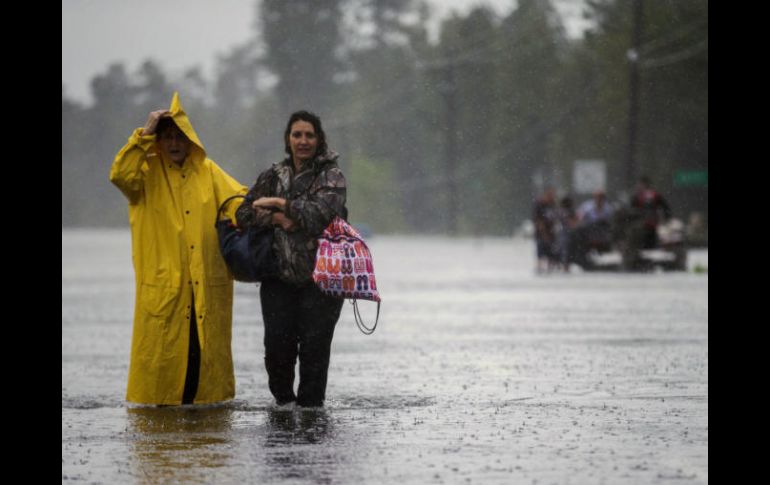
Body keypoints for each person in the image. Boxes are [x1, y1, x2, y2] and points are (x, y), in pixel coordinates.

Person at [109, 92, 246, 405]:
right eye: (167, 137)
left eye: (179, 137)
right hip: (165, 291)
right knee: (162, 377)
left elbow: (238, 201)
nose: (173, 144)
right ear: (158, 140)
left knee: (204, 379)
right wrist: (146, 130)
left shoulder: (209, 172)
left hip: (205, 290)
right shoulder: (144, 176)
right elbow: (119, 175)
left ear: (190, 140)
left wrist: (268, 211)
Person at [236, 111, 347, 409]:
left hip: (322, 281)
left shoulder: (332, 176)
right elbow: (243, 214)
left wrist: (282, 205)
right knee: (277, 350)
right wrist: (278, 218)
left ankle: (311, 416)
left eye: (309, 135)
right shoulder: (272, 175)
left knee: (314, 351)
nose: (303, 141)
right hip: (277, 278)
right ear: (288, 139)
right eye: (297, 135)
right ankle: (283, 407)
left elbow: (322, 215)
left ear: (319, 139)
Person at [631, 176, 671, 249]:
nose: (639, 186)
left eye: (640, 184)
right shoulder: (654, 194)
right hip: (651, 223)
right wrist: (667, 217)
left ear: (644, 184)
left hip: (643, 224)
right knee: (651, 242)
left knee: (644, 242)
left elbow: (632, 209)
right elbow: (665, 206)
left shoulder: (639, 196)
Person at [533, 187, 558, 273]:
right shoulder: (540, 205)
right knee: (541, 250)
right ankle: (539, 268)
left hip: (551, 232)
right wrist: (544, 234)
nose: (552, 197)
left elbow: (554, 218)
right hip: (541, 233)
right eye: (550, 195)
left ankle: (550, 267)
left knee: (551, 251)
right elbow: (539, 221)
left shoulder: (552, 205)